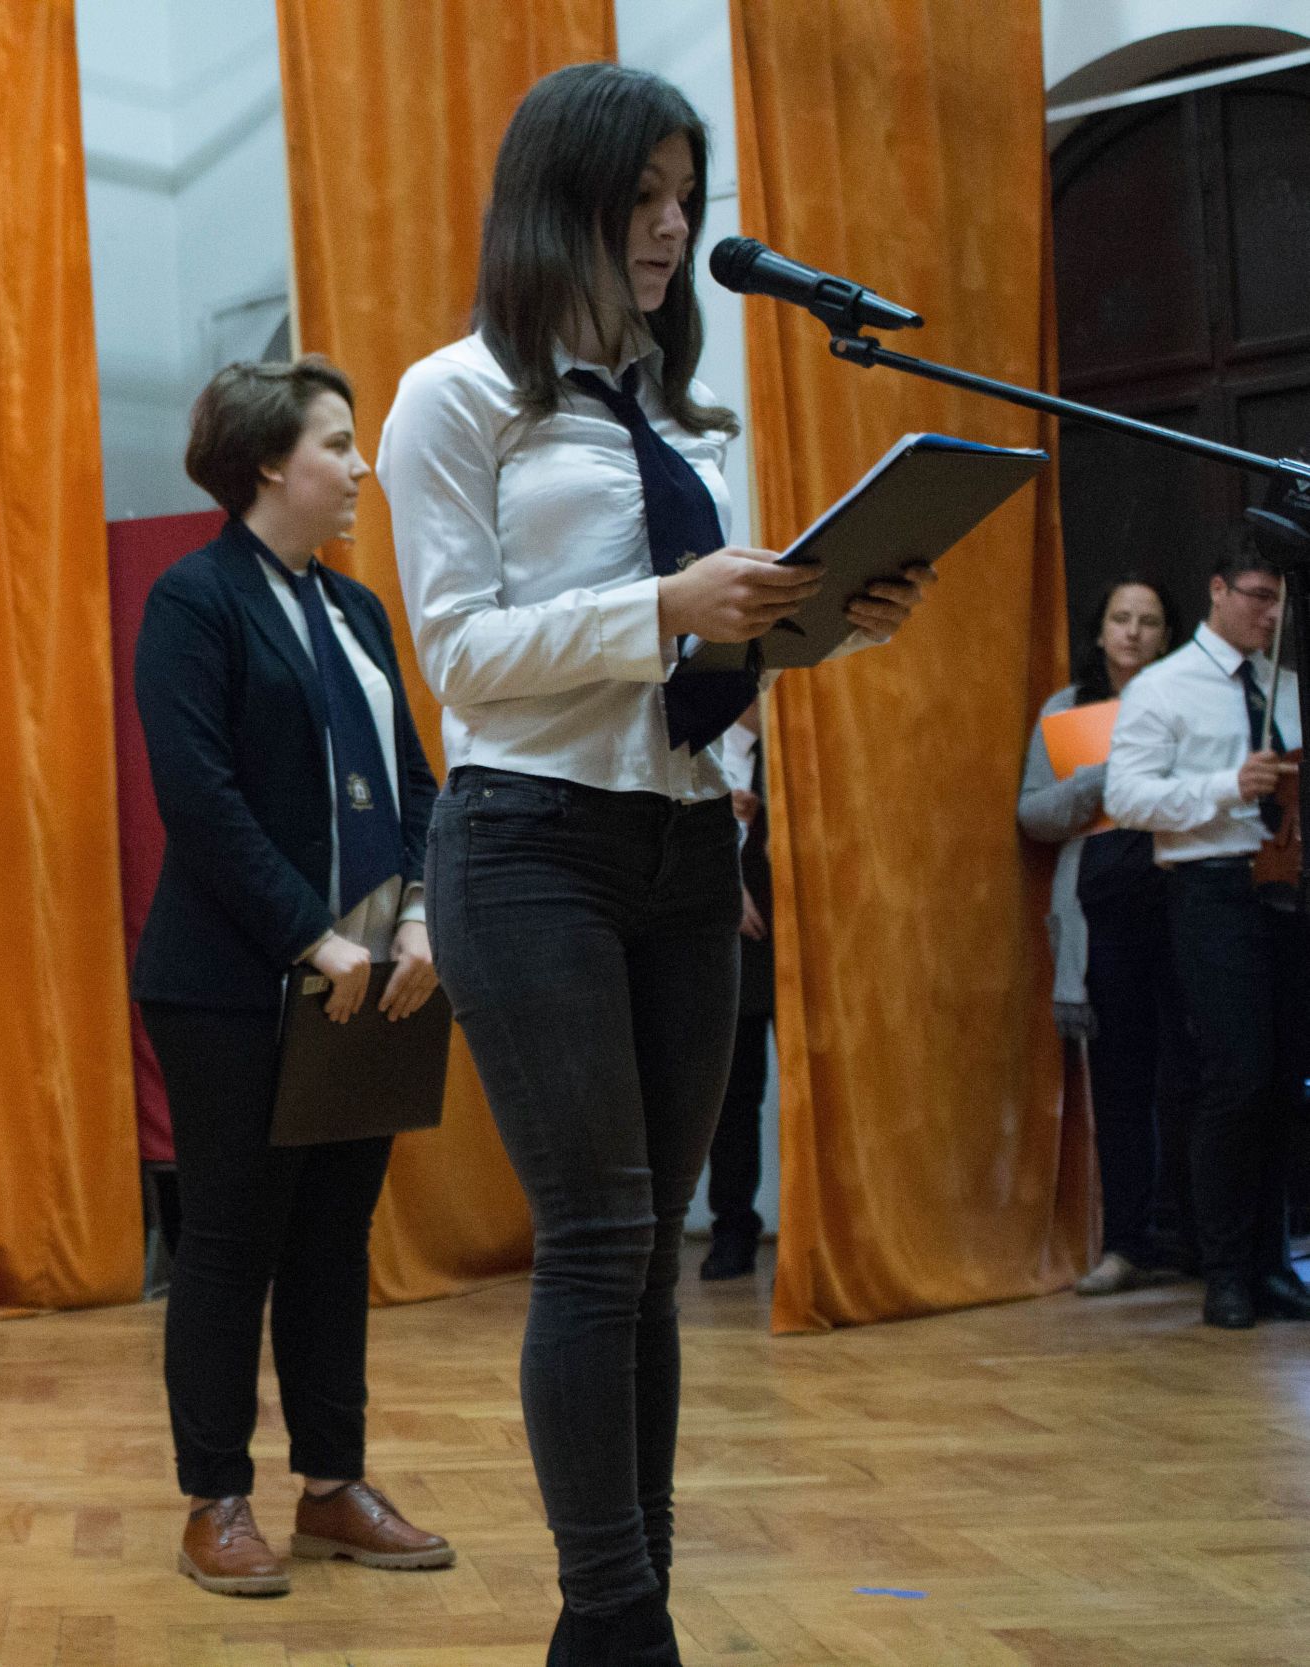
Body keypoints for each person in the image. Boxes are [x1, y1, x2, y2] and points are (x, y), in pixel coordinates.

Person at [377, 63, 931, 1665]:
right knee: (599, 1232)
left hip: (688, 845)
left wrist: (824, 621)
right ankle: (612, 1622)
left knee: (656, 1248)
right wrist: (666, 608)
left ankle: (637, 1606)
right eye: (642, 198)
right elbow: (461, 656)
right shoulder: (453, 396)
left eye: (687, 199)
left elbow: (701, 662)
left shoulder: (684, 415)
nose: (675, 229)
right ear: (560, 203)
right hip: (528, 842)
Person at [131, 356, 452, 1599]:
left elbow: (415, 781)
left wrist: (418, 916)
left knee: (331, 1238)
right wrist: (312, 939)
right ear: (269, 461)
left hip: (370, 979)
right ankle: (214, 1496)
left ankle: (333, 1483)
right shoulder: (193, 599)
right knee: (229, 1239)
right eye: (337, 443)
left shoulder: (358, 611)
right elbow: (199, 800)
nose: (362, 465)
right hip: (233, 983)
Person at [1104, 534, 1310, 1330]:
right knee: (1237, 1076)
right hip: (1210, 891)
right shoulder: (1163, 687)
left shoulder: (1285, 685)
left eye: (1279, 601)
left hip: (1284, 891)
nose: (1270, 614)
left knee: (1285, 1080)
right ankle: (1222, 1269)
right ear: (1219, 590)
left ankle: (1271, 1262)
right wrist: (1228, 785)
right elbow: (1127, 798)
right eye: (1257, 596)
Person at [1018, 575, 1194, 1294]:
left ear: (1167, 635)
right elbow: (1033, 816)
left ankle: (1203, 1242)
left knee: (1195, 1078)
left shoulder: (1189, 699)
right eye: (1120, 618)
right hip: (1104, 917)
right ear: (1099, 631)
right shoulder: (1068, 707)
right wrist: (1100, 779)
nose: (1133, 632)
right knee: (1121, 1086)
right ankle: (1127, 1243)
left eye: (1148, 621)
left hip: (1185, 907)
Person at [698, 707, 769, 1282]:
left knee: (814, 1083)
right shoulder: (706, 747)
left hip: (810, 934)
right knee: (733, 1091)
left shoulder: (811, 753)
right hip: (736, 940)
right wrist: (725, 879)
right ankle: (733, 1227)